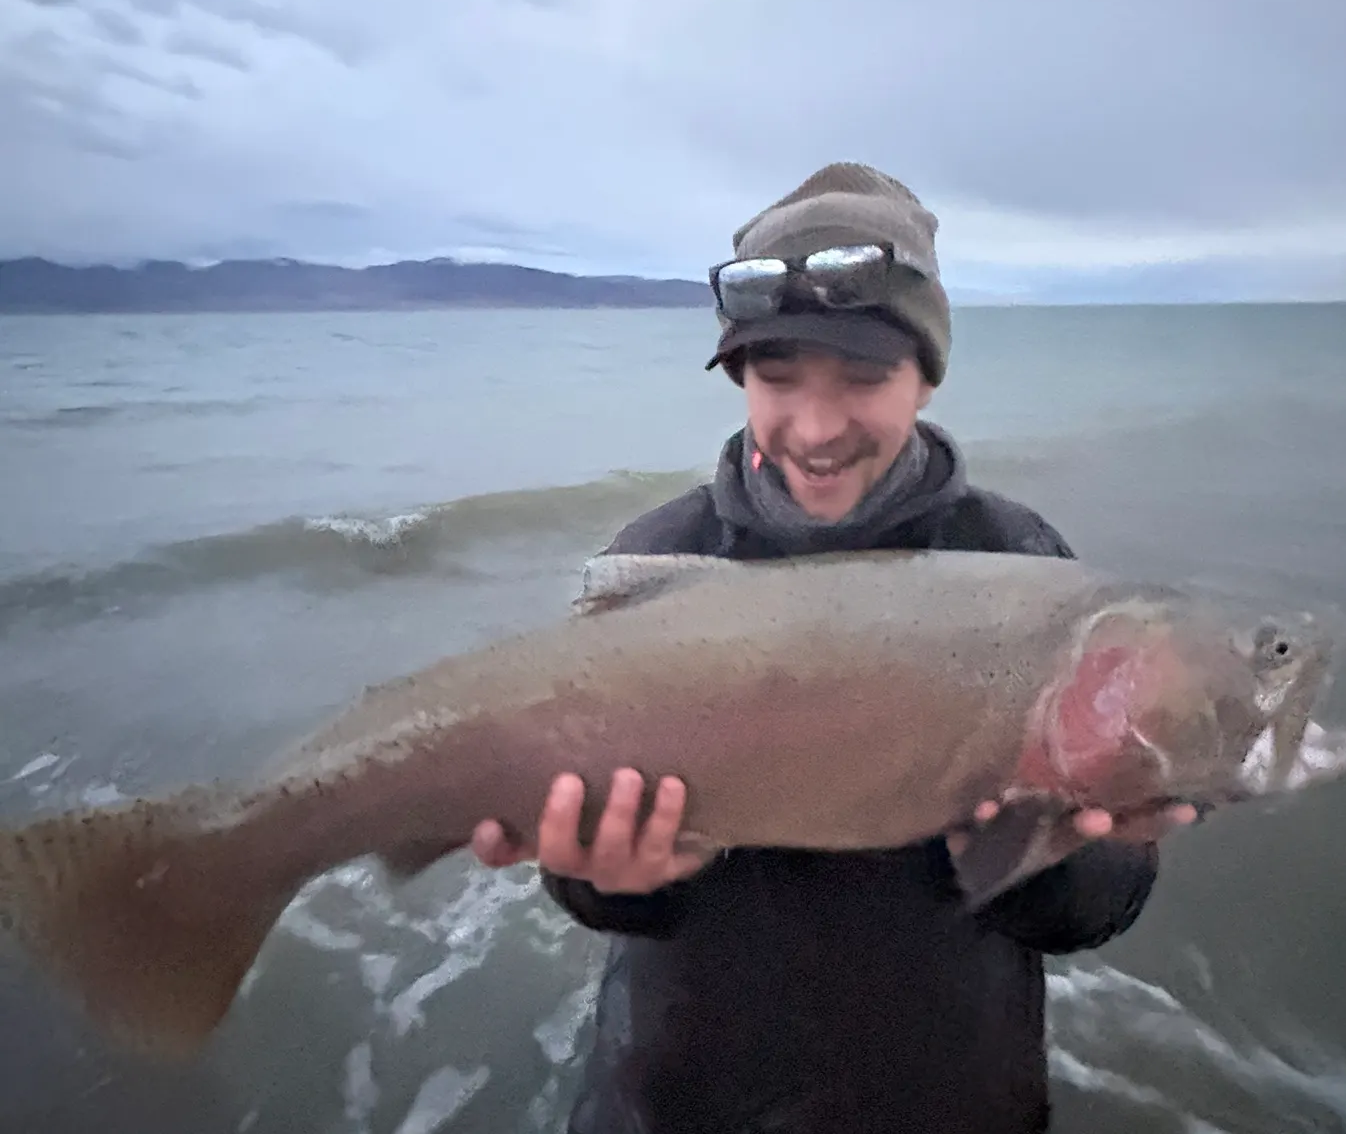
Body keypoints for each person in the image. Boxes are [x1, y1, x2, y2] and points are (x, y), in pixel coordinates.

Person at [470, 162, 1200, 1133]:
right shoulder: (653, 561)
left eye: (863, 378)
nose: (815, 428)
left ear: (927, 373)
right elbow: (588, 883)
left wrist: (1054, 850)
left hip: (949, 1098)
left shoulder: (1024, 564)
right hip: (680, 1098)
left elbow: (1091, 911)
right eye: (777, 377)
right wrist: (608, 879)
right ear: (738, 375)